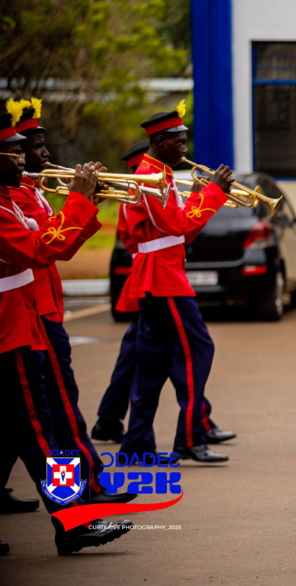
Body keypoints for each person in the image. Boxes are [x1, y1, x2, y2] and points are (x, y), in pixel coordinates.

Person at [0, 105, 133, 554]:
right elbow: (39, 250)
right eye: (12, 152)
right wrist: (78, 199)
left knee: (25, 432)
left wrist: (84, 203)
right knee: (44, 436)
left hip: (24, 320)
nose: (22, 160)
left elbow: (51, 248)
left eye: (24, 151)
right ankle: (74, 521)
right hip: (13, 327)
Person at [91, 141, 234, 447]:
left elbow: (181, 231)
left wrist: (202, 196)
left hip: (160, 273)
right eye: (178, 140)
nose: (185, 147)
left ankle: (135, 436)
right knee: (193, 352)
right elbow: (175, 226)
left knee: (149, 362)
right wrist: (213, 193)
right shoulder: (146, 183)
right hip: (160, 276)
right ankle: (191, 436)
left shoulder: (162, 181)